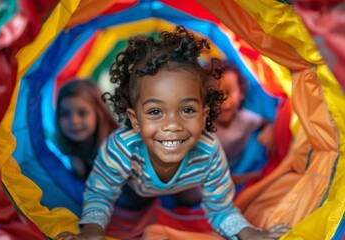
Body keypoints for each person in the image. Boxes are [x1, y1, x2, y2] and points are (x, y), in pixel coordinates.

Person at [56, 26, 289, 240]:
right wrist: (92, 232)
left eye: (187, 109)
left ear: (204, 114)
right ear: (135, 120)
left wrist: (250, 234)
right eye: (156, 111)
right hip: (137, 187)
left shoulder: (208, 149)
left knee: (191, 195)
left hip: (184, 186)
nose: (172, 125)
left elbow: (221, 208)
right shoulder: (122, 147)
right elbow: (100, 196)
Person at [208, 59, 275, 188]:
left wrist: (269, 130)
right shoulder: (205, 128)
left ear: (241, 94)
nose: (222, 100)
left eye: (228, 91)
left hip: (236, 165)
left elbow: (267, 122)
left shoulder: (245, 119)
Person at [55, 79, 118, 181]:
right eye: (65, 114)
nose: (74, 121)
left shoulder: (116, 148)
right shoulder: (73, 152)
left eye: (82, 113)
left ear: (99, 114)